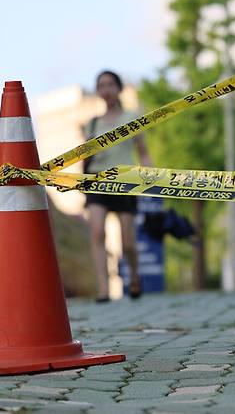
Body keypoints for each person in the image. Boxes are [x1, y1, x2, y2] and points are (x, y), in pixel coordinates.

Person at [83, 70, 151, 302]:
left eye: (110, 84)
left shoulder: (131, 118)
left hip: (125, 181)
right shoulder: (91, 124)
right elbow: (84, 158)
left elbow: (143, 153)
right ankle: (104, 289)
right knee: (97, 232)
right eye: (101, 85)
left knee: (128, 241)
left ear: (119, 88)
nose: (106, 89)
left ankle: (134, 276)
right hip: (97, 181)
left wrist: (151, 180)